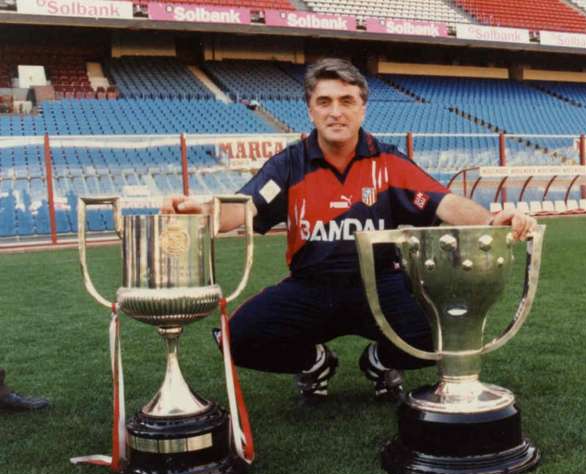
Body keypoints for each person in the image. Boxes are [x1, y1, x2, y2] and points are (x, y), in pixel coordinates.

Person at [166, 58, 536, 402]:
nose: (336, 111)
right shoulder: (289, 165)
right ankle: (315, 363)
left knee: (442, 334)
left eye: (347, 100)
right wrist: (206, 211)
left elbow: (445, 203)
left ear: (362, 108)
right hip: (311, 285)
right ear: (311, 110)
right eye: (324, 101)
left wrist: (490, 221)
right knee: (237, 339)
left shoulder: (388, 162)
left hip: (380, 285)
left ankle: (379, 361)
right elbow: (244, 207)